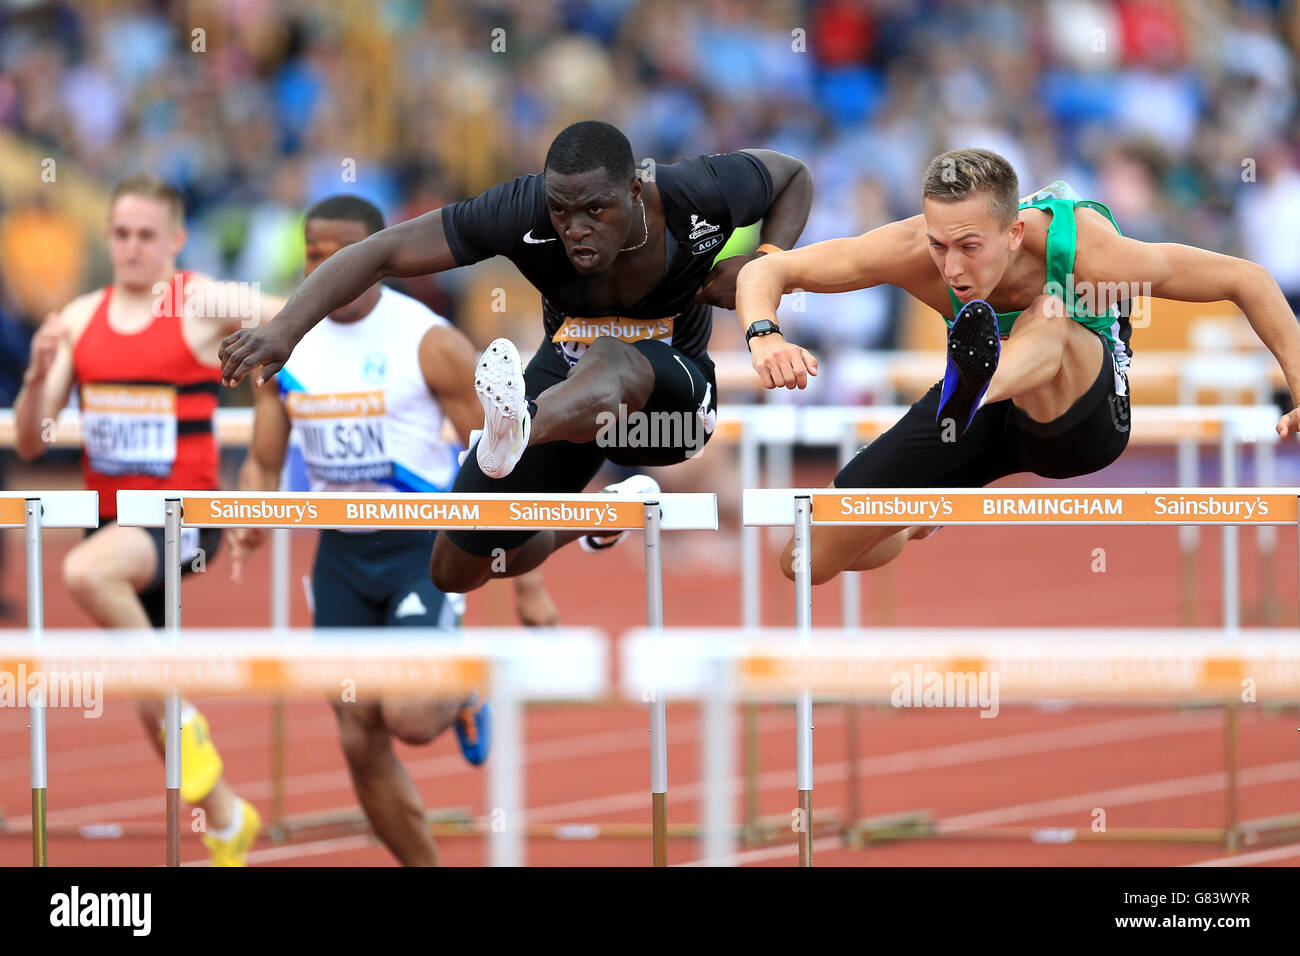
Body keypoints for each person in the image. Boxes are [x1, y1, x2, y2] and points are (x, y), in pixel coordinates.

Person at [217, 120, 812, 592]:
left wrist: (765, 262)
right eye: (561, 211)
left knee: (612, 353)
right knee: (456, 567)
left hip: (672, 411)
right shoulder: (521, 209)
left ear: (635, 190)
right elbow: (383, 251)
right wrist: (286, 330)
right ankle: (600, 512)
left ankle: (520, 428)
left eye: (595, 211)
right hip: (570, 390)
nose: (575, 229)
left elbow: (793, 177)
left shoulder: (695, 192)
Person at [734, 147, 1300, 585]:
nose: (951, 266)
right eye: (938, 244)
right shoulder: (911, 248)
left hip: (1079, 418)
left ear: (1015, 232)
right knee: (804, 558)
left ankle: (977, 383)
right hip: (977, 418)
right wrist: (764, 334)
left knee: (1049, 313)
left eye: (969, 246)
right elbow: (767, 272)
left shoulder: (1087, 251)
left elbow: (1245, 278)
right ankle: (913, 513)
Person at [229, 195, 557, 866]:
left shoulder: (428, 340)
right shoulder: (286, 342)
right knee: (357, 732)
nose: (326, 265)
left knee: (407, 716)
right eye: (314, 254)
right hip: (340, 556)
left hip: (422, 550)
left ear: (375, 258)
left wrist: (527, 581)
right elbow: (264, 459)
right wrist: (249, 515)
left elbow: (502, 459)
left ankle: (462, 688)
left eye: (341, 254)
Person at [12, 174, 281, 865]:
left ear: (176, 239)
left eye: (146, 236)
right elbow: (34, 440)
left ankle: (184, 720)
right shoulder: (77, 318)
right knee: (145, 683)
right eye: (121, 235)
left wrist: (283, 387)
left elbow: (296, 318)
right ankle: (227, 821)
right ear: (108, 237)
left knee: (82, 572)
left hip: (178, 519)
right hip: (112, 522)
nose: (132, 248)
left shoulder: (202, 301)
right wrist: (41, 376)